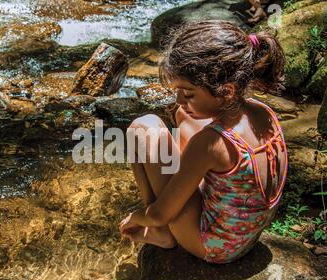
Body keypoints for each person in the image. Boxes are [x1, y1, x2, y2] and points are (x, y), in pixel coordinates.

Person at [119, 20, 288, 264]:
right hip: (246, 237)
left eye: (188, 94)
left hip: (212, 247)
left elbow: (157, 215)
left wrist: (139, 217)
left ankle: (162, 232)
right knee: (183, 116)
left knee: (143, 128)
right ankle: (181, 188)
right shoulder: (264, 112)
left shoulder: (210, 143)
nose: (178, 99)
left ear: (227, 91)